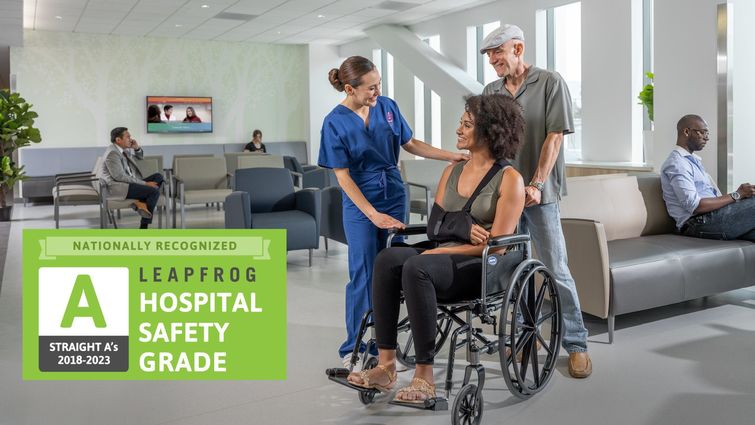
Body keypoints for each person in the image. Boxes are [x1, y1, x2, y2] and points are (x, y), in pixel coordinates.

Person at [346, 94, 526, 401]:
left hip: (478, 266)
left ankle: (424, 378)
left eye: (467, 124)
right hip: (442, 255)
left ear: (489, 132)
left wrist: (444, 247)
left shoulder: (510, 179)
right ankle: (386, 365)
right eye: (461, 122)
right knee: (388, 258)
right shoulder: (452, 171)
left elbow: (495, 246)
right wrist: (462, 228)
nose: (458, 129)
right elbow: (435, 227)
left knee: (418, 265)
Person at [318, 55, 467, 368]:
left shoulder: (387, 107)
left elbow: (410, 143)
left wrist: (450, 156)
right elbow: (342, 177)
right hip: (359, 202)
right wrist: (372, 214)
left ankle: (385, 345)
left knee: (395, 270)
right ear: (349, 88)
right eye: (371, 88)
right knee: (363, 271)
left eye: (379, 85)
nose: (377, 92)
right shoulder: (334, 122)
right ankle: (354, 349)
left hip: (393, 193)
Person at [480, 24, 592, 378]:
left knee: (555, 268)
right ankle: (520, 336)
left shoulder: (549, 82)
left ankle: (576, 344)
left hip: (540, 195)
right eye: (488, 55)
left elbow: (554, 137)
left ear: (518, 47)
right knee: (510, 270)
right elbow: (490, 144)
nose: (493, 60)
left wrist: (537, 183)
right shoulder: (491, 91)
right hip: (506, 196)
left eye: (498, 52)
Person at [661, 114, 755, 241]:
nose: (707, 138)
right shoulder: (677, 163)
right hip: (696, 224)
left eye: (707, 133)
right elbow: (695, 206)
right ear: (687, 132)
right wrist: (736, 195)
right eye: (703, 132)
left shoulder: (692, 161)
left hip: (712, 218)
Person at [101, 127, 165, 229]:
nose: (130, 139)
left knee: (159, 176)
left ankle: (140, 203)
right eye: (128, 137)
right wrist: (145, 184)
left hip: (130, 181)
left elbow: (140, 157)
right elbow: (119, 176)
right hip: (120, 186)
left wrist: (136, 148)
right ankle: (143, 226)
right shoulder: (112, 153)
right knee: (154, 192)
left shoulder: (122, 150)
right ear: (118, 140)